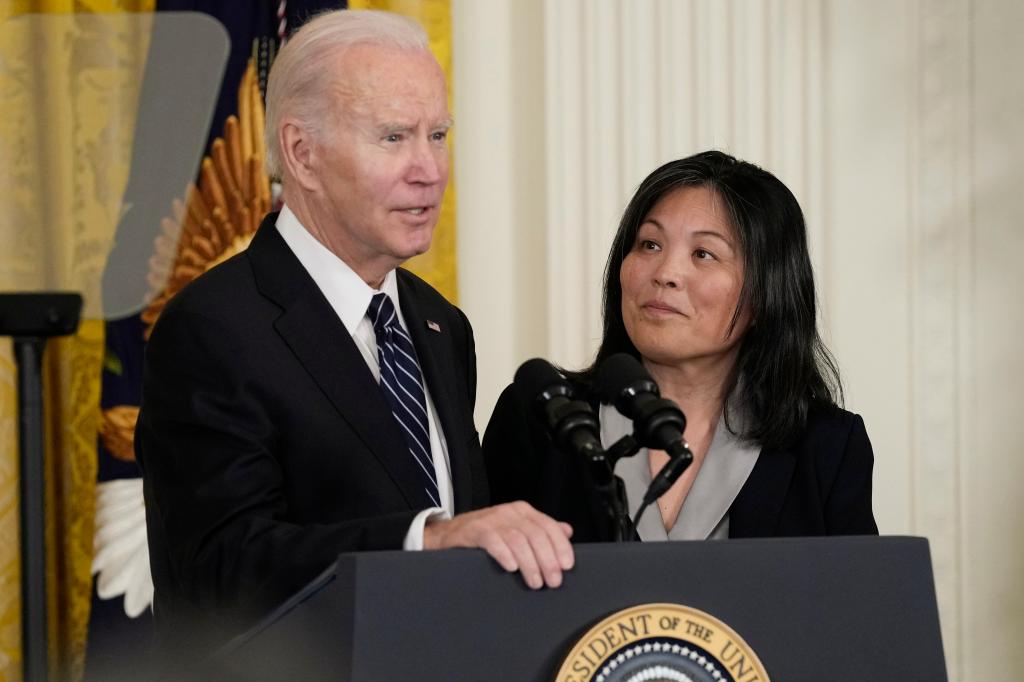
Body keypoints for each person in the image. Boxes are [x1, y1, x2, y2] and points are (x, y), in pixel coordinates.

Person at [135, 9, 573, 648]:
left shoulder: (441, 326)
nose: (429, 168)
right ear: (302, 154)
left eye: (439, 135)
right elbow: (217, 573)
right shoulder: (213, 329)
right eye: (394, 137)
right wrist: (424, 539)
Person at [484, 151, 878, 542]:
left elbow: (855, 601)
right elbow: (475, 593)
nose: (666, 274)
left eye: (703, 254)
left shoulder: (827, 447)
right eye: (650, 245)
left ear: (765, 294)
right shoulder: (542, 419)